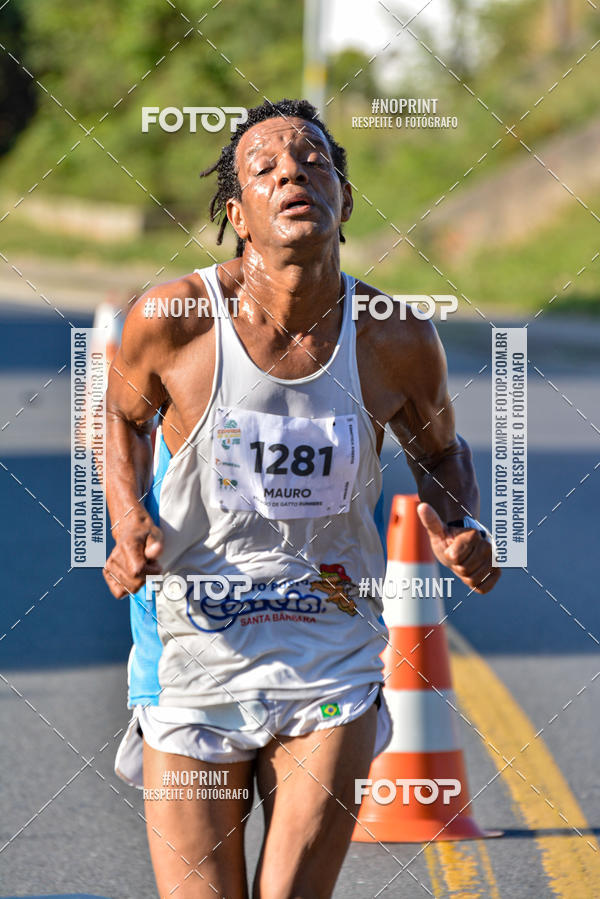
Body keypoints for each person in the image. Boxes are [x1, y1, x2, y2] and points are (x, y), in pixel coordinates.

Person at [104, 98, 500, 899]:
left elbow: (440, 451)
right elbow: (123, 410)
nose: (294, 174)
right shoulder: (176, 322)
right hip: (192, 651)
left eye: (314, 162)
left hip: (330, 647)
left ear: (344, 202)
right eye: (267, 168)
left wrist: (460, 521)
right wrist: (127, 520)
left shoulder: (393, 334)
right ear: (236, 213)